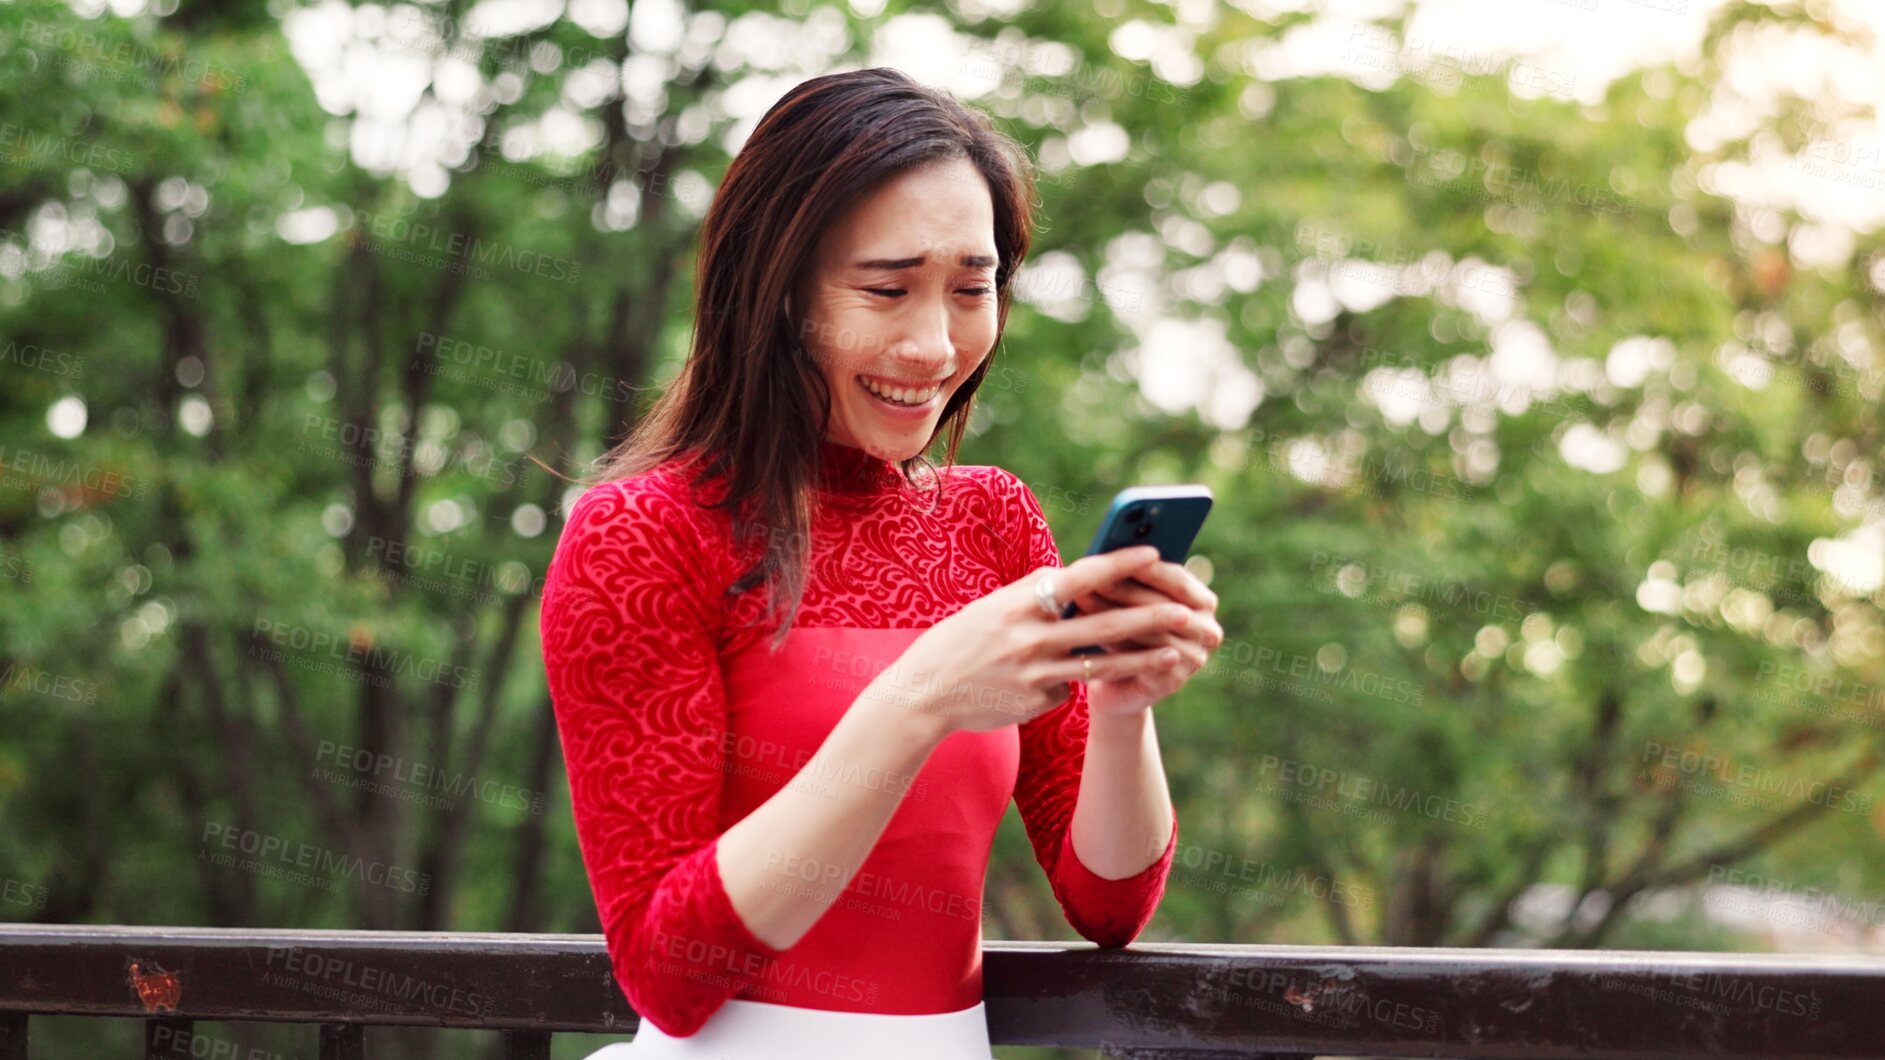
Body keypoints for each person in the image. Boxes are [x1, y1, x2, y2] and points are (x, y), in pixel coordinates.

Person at [537, 65, 1223, 1060]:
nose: (934, 345)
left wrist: (1122, 703)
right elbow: (669, 971)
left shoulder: (991, 520)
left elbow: (1106, 904)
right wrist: (919, 700)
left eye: (971, 290)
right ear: (775, 293)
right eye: (887, 289)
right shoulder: (641, 532)